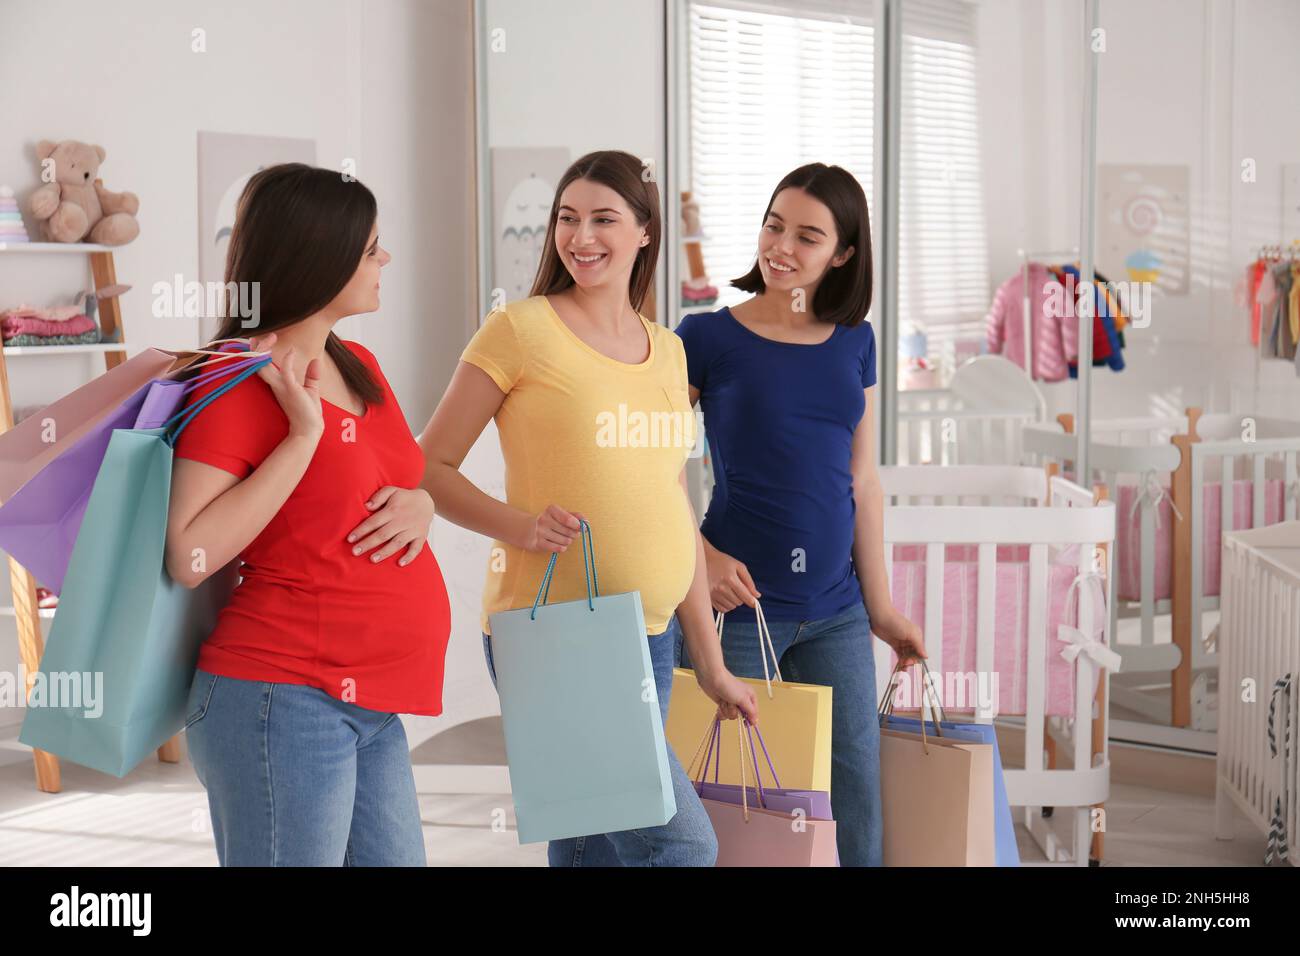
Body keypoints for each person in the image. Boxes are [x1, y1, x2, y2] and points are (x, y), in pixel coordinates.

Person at [415, 149, 756, 866]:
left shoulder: (667, 351)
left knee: (592, 845)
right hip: (560, 636)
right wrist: (521, 526)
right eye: (568, 219)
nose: (581, 236)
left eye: (604, 218)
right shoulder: (520, 331)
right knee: (681, 846)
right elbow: (426, 464)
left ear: (644, 232)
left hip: (650, 633)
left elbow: (675, 505)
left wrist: (713, 662)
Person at [169, 163, 450, 866]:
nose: (385, 259)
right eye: (369, 248)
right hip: (281, 699)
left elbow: (388, 483)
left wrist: (422, 506)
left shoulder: (358, 363)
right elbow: (191, 553)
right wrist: (301, 437)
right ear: (318, 257)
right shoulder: (235, 380)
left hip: (372, 701)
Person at [675, 162, 926, 867]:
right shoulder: (705, 337)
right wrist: (703, 556)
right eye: (774, 225)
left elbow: (863, 481)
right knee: (742, 797)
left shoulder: (857, 340)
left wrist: (881, 609)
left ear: (843, 253)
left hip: (838, 610)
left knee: (855, 794)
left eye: (807, 236)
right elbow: (656, 469)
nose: (781, 246)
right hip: (739, 607)